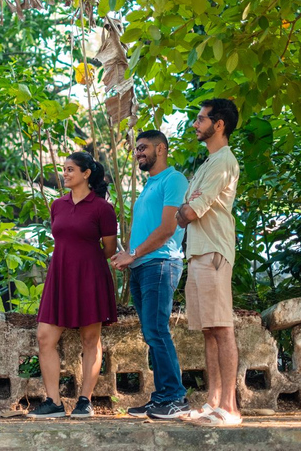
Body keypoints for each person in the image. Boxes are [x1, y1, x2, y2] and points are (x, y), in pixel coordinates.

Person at [27, 152, 118, 419]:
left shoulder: (102, 208)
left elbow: (110, 249)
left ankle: (84, 401)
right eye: (64, 169)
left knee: (90, 340)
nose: (65, 174)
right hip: (60, 277)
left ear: (86, 173)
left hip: (91, 277)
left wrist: (86, 268)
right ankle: (53, 402)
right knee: (45, 337)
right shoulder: (58, 205)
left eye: (70, 169)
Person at [110, 130, 190, 419]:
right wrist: (128, 256)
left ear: (162, 149)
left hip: (161, 264)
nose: (138, 153)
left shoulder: (174, 179)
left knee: (157, 331)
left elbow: (169, 228)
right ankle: (161, 397)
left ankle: (175, 397)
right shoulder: (148, 186)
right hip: (143, 266)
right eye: (136, 149)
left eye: (143, 148)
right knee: (151, 333)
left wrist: (135, 253)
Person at [175, 98, 242, 427]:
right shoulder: (208, 163)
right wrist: (184, 212)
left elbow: (188, 212)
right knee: (208, 330)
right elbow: (185, 212)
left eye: (201, 119)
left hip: (214, 251)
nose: (195, 124)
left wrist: (184, 212)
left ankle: (229, 408)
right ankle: (214, 403)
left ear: (219, 124)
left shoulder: (222, 162)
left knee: (222, 328)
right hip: (199, 253)